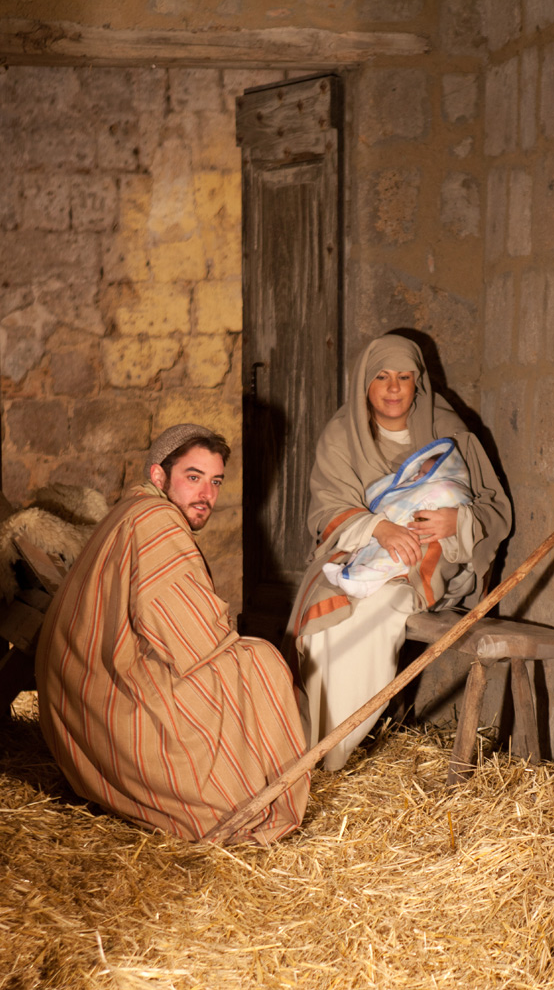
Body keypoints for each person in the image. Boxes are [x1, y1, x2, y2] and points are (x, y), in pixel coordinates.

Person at [36, 423, 310, 845]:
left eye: (215, 481)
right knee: (262, 663)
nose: (207, 495)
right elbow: (191, 636)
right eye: (193, 477)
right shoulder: (156, 519)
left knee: (246, 662)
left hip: (79, 703)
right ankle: (233, 801)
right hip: (108, 700)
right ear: (159, 476)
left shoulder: (132, 510)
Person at [287, 334, 512, 771]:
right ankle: (305, 744)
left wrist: (457, 521)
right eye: (382, 377)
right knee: (325, 620)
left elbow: (495, 509)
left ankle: (332, 757)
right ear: (364, 385)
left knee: (379, 609)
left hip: (428, 563)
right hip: (355, 556)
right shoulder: (342, 436)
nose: (393, 388)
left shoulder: (451, 434)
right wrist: (380, 527)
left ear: (417, 383)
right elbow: (327, 510)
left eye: (404, 377)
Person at [322, 438, 473, 599]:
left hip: (422, 544)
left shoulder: (449, 490)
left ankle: (362, 582)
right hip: (395, 531)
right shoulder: (338, 441)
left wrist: (457, 519)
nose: (416, 478)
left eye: (423, 474)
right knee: (373, 546)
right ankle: (348, 571)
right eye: (418, 472)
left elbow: (453, 504)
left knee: (396, 557)